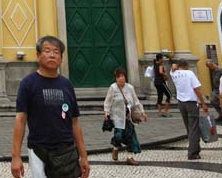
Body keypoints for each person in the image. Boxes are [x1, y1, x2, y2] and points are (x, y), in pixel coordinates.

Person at [11, 35, 89, 178]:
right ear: (38, 55)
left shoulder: (67, 85)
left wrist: (83, 156)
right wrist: (16, 156)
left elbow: (75, 122)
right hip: (38, 150)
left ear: (61, 58)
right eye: (47, 51)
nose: (52, 55)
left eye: (56, 51)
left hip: (66, 151)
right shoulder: (28, 84)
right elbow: (20, 119)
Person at [103, 66, 146, 166]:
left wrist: (142, 112)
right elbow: (107, 102)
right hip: (117, 117)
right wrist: (106, 113)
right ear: (116, 78)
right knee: (118, 136)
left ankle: (130, 157)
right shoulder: (113, 88)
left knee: (131, 136)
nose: (121, 78)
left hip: (128, 117)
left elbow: (136, 101)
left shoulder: (130, 88)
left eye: (122, 76)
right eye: (119, 77)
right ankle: (115, 147)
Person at [171, 58, 208, 160]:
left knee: (189, 127)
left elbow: (172, 68)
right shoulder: (189, 73)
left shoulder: (174, 74)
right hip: (191, 102)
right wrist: (203, 103)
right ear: (186, 65)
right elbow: (196, 89)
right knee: (194, 127)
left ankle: (195, 149)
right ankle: (192, 152)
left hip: (181, 103)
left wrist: (174, 67)